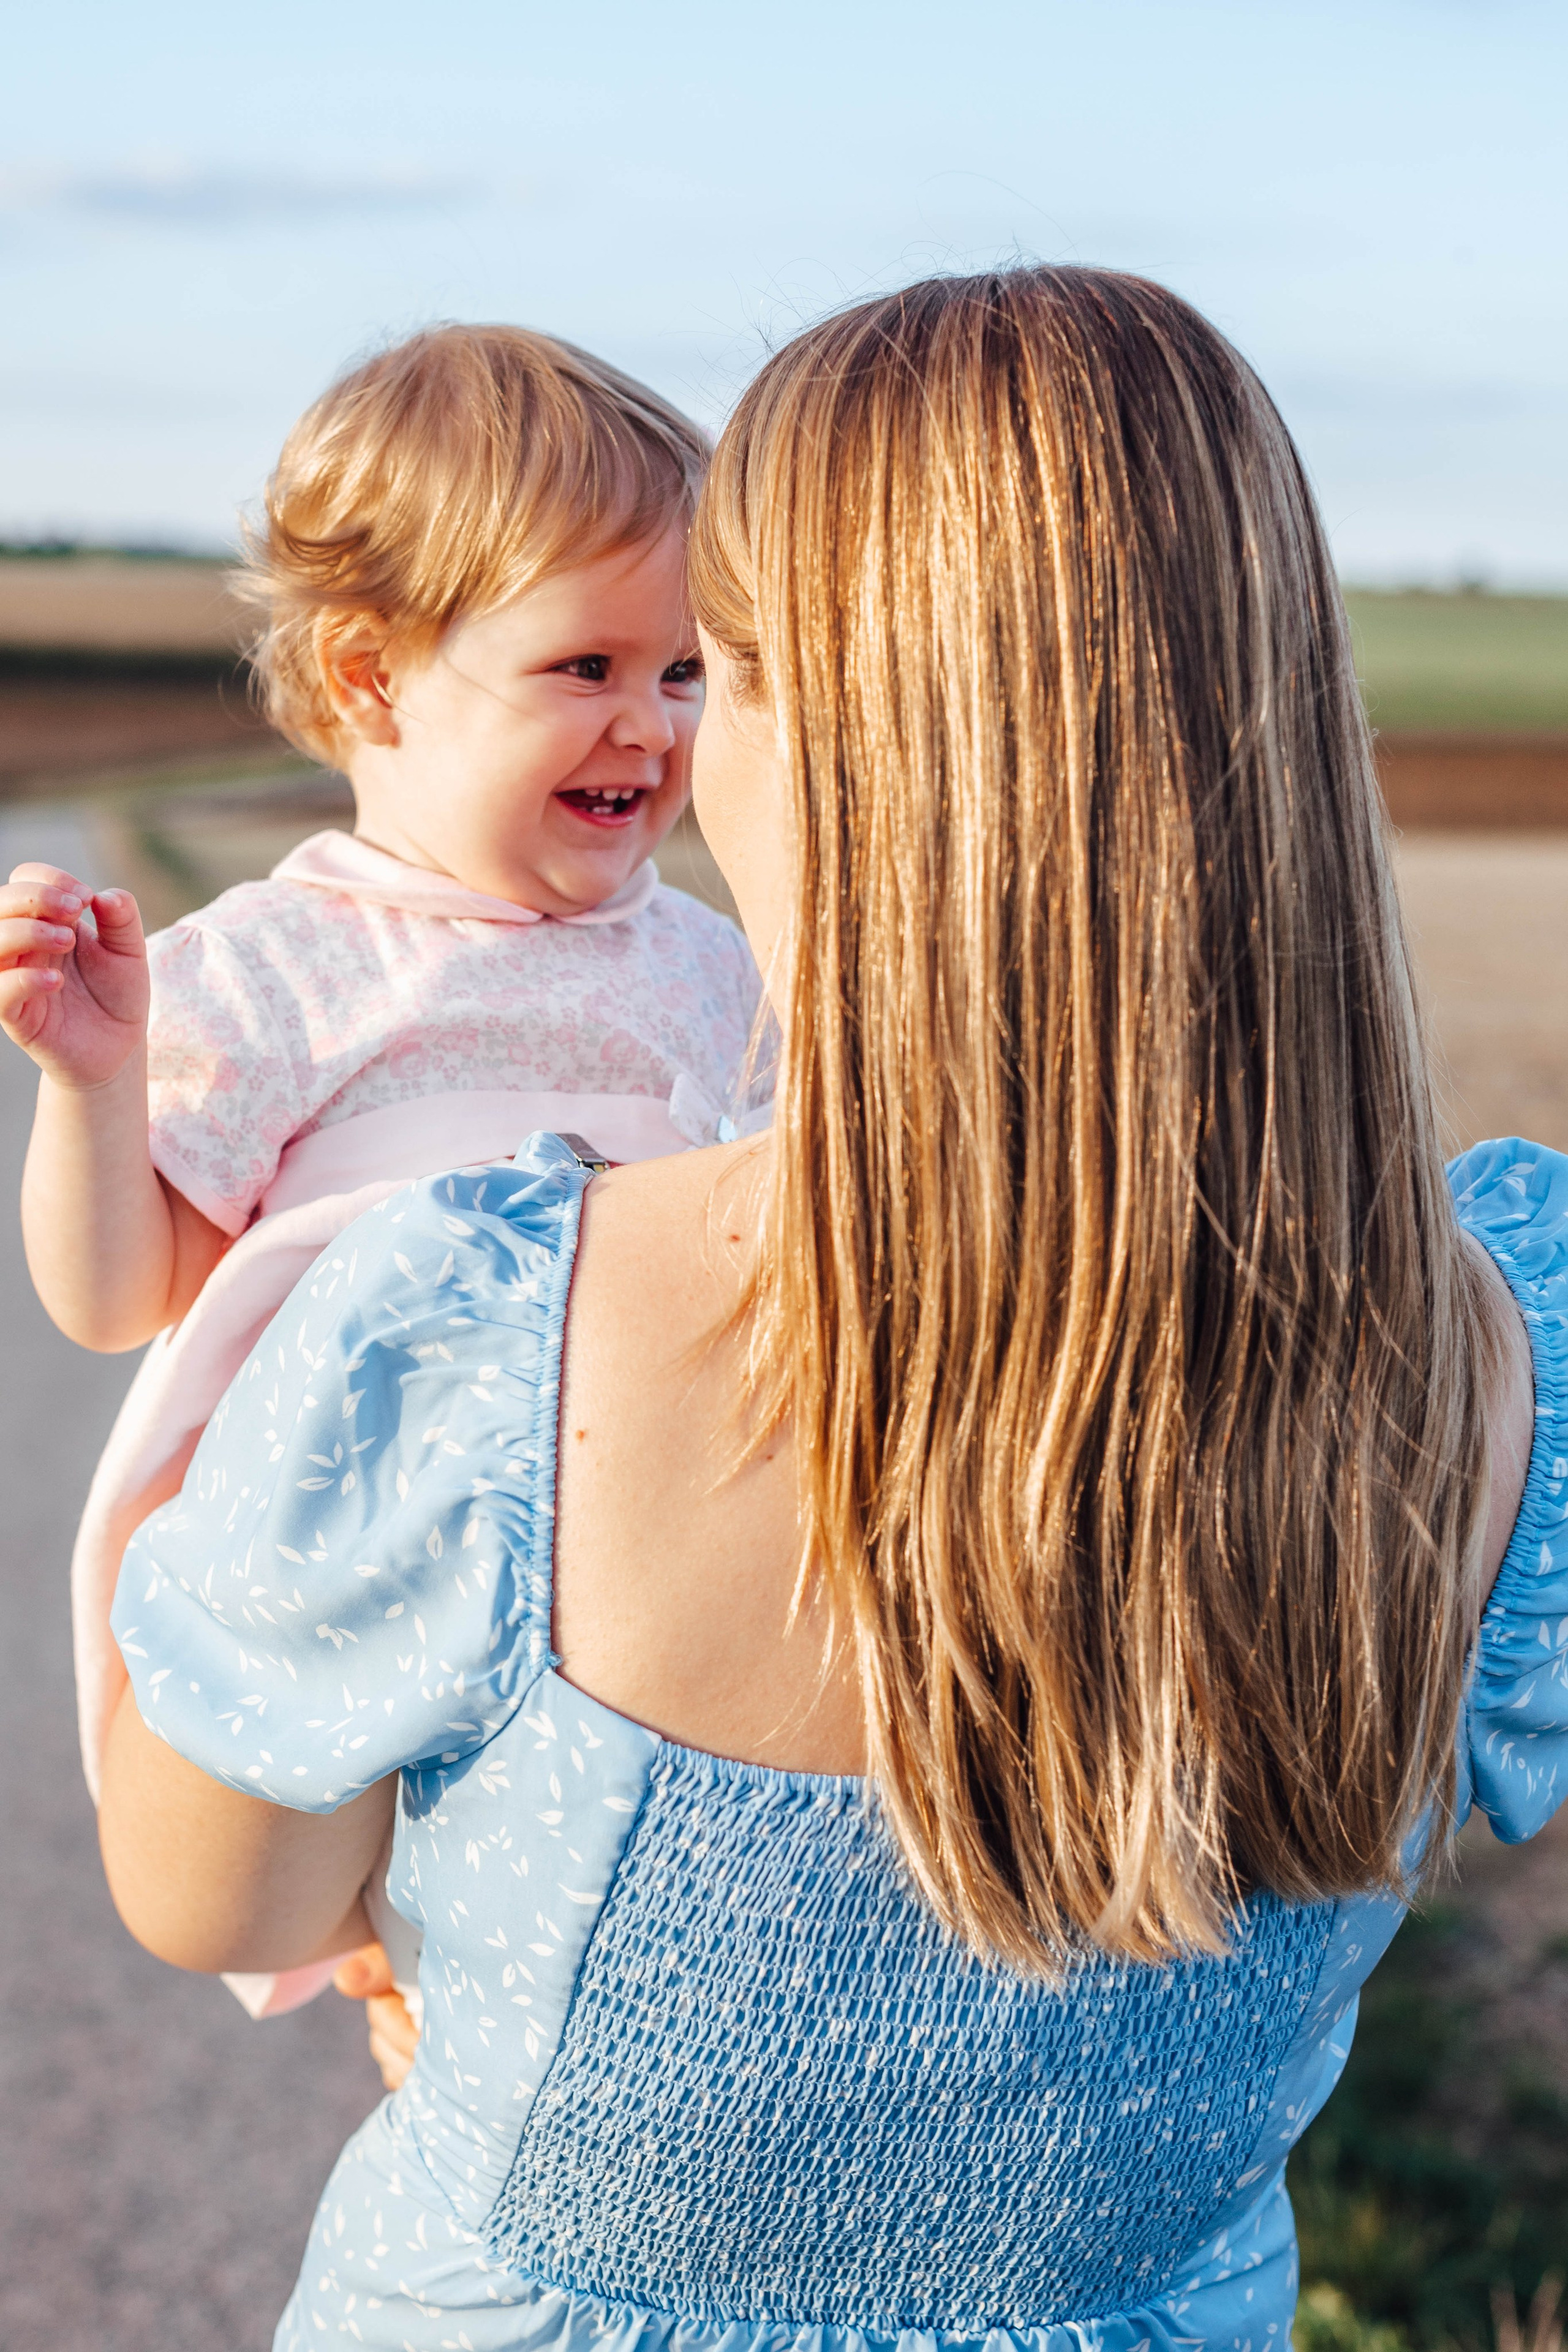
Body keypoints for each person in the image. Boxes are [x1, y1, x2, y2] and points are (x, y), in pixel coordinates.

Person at [96, 266, 1556, 2352]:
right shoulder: (1501, 1356)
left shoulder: (486, 1329)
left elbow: (207, 1893)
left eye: (713, 667)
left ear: (815, 725)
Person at [0, 323, 762, 2030]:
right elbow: (119, 1301)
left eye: (685, 673)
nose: (649, 724)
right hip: (336, 1569)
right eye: (586, 665)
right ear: (372, 680)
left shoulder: (711, 967)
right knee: (346, 1898)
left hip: (621, 1556)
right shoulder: (283, 967)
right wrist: (95, 1088)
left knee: (555, 1938)